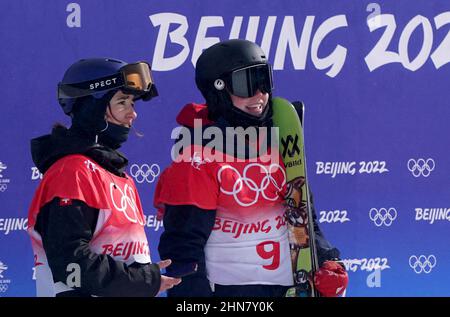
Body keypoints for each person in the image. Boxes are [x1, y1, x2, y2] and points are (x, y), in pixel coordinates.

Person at [154, 40, 348, 297]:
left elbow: (304, 219)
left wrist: (326, 261)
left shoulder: (277, 146)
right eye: (246, 84)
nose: (259, 95)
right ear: (219, 91)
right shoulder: (196, 162)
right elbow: (183, 251)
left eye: (263, 81)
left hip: (285, 290)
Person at [28, 57, 181, 297]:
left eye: (133, 103)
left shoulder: (115, 174)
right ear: (92, 108)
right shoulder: (72, 173)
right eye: (122, 102)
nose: (133, 114)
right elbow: (72, 265)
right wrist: (142, 280)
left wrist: (143, 280)